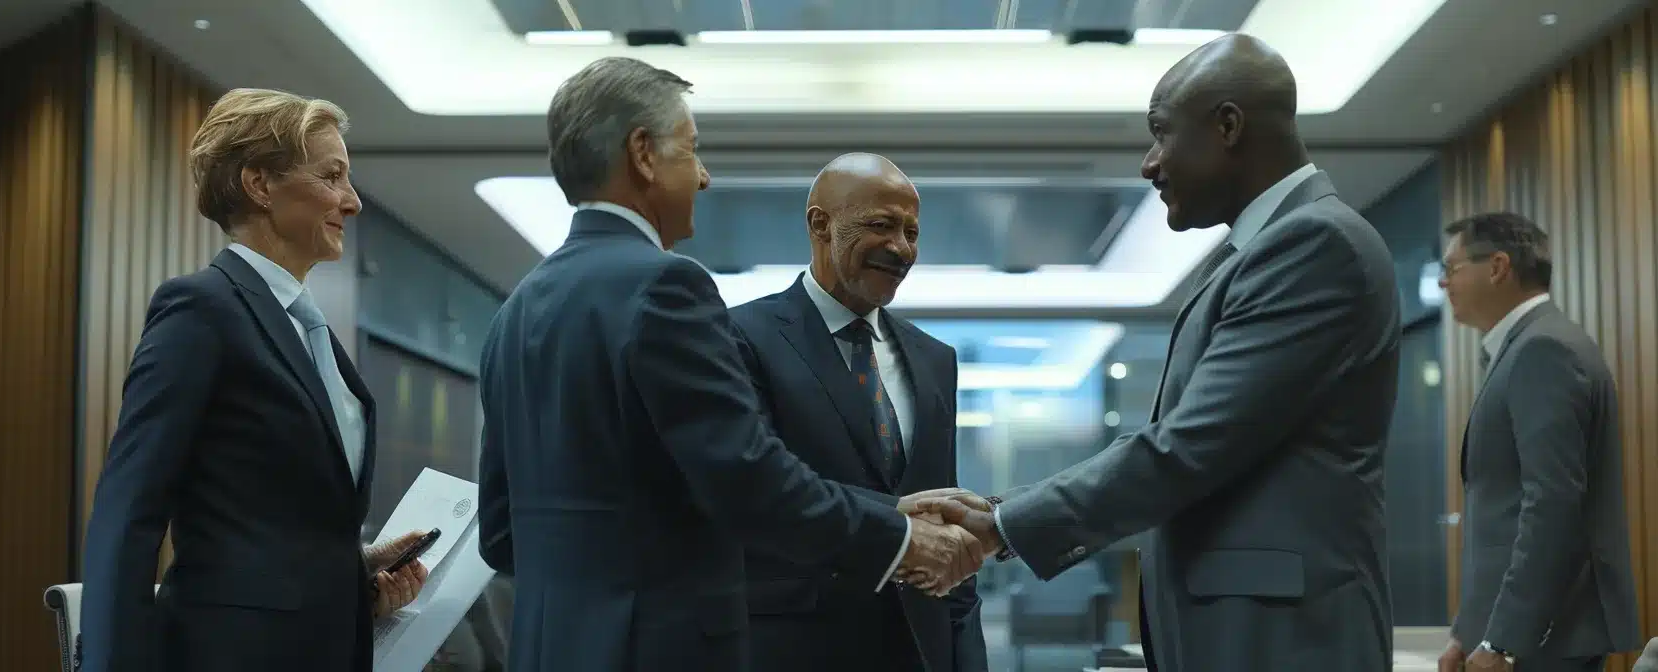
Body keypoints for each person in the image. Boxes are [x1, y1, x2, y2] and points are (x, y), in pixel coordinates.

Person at [474, 57, 984, 672]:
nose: (705, 177)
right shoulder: (666, 286)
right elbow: (749, 482)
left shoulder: (517, 311)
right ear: (642, 154)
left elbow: (501, 535)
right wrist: (899, 536)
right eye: (691, 151)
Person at [912, 34, 1402, 671]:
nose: (1149, 163)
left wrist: (1005, 527)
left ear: (1227, 125)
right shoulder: (1272, 251)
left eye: (1162, 134)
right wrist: (1008, 511)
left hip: (1280, 641)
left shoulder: (1312, 245)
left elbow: (1191, 445)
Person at [79, 88, 429, 672]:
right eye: (332, 176)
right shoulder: (201, 310)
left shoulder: (305, 327)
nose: (352, 201)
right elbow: (129, 508)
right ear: (259, 185)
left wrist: (356, 566)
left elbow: (271, 521)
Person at [727, 153, 988, 672]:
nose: (902, 249)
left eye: (912, 232)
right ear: (820, 224)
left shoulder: (936, 360)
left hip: (922, 650)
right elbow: (750, 497)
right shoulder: (738, 338)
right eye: (881, 226)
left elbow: (948, 520)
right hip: (793, 650)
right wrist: (895, 524)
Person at [1435, 212, 1640, 672]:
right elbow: (1502, 515)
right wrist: (1467, 632)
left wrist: (1505, 641)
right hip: (1524, 636)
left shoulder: (1544, 350)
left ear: (1498, 266)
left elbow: (1551, 503)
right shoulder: (1522, 348)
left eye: (1451, 268)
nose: (1445, 284)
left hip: (1545, 639)